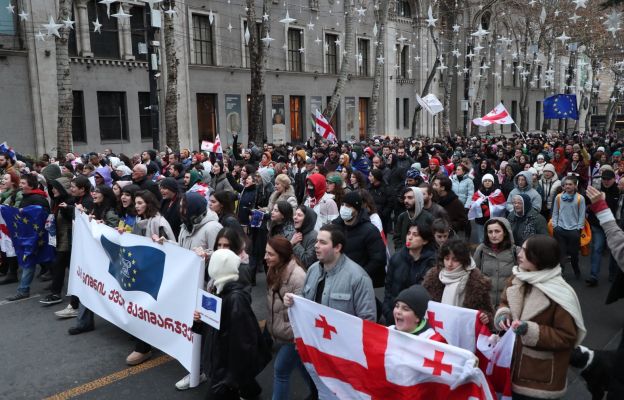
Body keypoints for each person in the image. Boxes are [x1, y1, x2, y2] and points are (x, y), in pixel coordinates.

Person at [495, 235, 585, 400]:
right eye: (520, 249)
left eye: (525, 251)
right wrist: (503, 315)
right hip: (510, 366)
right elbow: (504, 302)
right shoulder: (518, 277)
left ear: (539, 257)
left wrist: (530, 330)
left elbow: (567, 337)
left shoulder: (560, 293)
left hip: (538, 379)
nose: (519, 254)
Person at [192, 249, 270, 400]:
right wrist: (199, 321)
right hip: (222, 366)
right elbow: (215, 328)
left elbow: (243, 344)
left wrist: (230, 379)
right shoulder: (217, 289)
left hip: (225, 373)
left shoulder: (235, 299)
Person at [123, 190, 175, 364]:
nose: (136, 206)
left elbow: (173, 249)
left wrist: (162, 243)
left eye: (140, 203)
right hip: (142, 270)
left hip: (156, 273)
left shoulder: (159, 223)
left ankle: (143, 348)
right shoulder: (139, 221)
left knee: (147, 308)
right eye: (135, 203)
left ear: (149, 204)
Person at [283, 224, 377, 322]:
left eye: (322, 242)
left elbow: (367, 322)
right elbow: (305, 299)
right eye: (317, 241)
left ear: (337, 247)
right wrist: (294, 300)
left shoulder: (359, 278)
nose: (316, 246)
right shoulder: (312, 270)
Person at [264, 236, 316, 400]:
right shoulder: (273, 268)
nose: (265, 257)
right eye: (266, 253)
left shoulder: (298, 277)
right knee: (302, 366)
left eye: (270, 254)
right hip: (283, 331)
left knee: (281, 370)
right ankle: (319, 394)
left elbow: (304, 313)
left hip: (294, 335)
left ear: (282, 255)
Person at [423, 239, 493, 328]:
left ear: (463, 260)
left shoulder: (478, 282)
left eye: (455, 260)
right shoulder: (433, 278)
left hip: (464, 332)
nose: (449, 264)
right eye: (447, 258)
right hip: (437, 331)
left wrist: (485, 317)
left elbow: (487, 311)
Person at [6, 174, 51, 301]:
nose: (20, 185)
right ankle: (55, 282)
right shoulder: (27, 197)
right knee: (47, 259)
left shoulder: (38, 198)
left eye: (23, 183)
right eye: (20, 183)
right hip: (29, 236)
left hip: (35, 237)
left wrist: (25, 211)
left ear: (31, 185)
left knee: (29, 262)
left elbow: (43, 215)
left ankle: (23, 290)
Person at [383, 220, 436, 325]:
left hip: (417, 318)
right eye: (408, 233)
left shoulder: (432, 263)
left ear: (425, 241)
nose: (410, 237)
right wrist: (388, 312)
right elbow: (388, 288)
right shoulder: (396, 258)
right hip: (393, 315)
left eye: (415, 235)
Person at [332, 191, 387, 288]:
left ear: (356, 209)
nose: (344, 208)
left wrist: (360, 276)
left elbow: (378, 259)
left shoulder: (370, 230)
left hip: (359, 282)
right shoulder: (335, 227)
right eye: (343, 204)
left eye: (348, 206)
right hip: (336, 279)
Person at [39, 176, 74, 306]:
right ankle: (57, 289)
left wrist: (67, 210)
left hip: (67, 240)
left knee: (60, 265)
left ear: (62, 188)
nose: (52, 190)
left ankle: (56, 293)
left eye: (55, 187)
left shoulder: (69, 202)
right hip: (60, 239)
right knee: (62, 266)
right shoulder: (58, 201)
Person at [473, 218, 519, 308]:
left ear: (505, 232)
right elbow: (474, 274)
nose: (493, 235)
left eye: (497, 231)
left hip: (508, 304)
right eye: (490, 232)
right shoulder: (481, 249)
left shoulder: (515, 251)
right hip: (486, 304)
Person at [586, 169, 619, 287]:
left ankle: (613, 274)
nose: (605, 181)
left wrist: (603, 200)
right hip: (597, 225)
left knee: (614, 250)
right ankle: (593, 276)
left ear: (614, 179)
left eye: (608, 179)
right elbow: (588, 202)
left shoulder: (618, 190)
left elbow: (616, 207)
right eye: (603, 178)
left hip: (612, 225)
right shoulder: (597, 187)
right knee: (597, 248)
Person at [551, 175, 586, 279]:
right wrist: (555, 226)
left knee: (574, 254)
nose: (567, 186)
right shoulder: (558, 197)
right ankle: (560, 274)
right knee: (561, 253)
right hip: (560, 229)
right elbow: (555, 212)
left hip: (574, 231)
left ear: (575, 186)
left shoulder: (580, 198)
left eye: (570, 184)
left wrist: (578, 229)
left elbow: (582, 215)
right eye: (566, 184)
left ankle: (576, 270)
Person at [468, 174, 506, 244]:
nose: (487, 182)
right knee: (481, 238)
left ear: (492, 182)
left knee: (493, 238)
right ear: (482, 182)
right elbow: (472, 206)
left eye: (489, 181)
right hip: (480, 221)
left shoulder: (498, 193)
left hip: (493, 221)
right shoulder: (477, 193)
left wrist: (489, 208)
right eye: (485, 181)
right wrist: (480, 206)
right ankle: (482, 252)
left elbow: (502, 207)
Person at [291, 205, 318, 269]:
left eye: (299, 215)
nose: (295, 217)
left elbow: (307, 262)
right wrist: (291, 242)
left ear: (307, 219)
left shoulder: (314, 236)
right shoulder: (295, 232)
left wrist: (296, 244)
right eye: (295, 214)